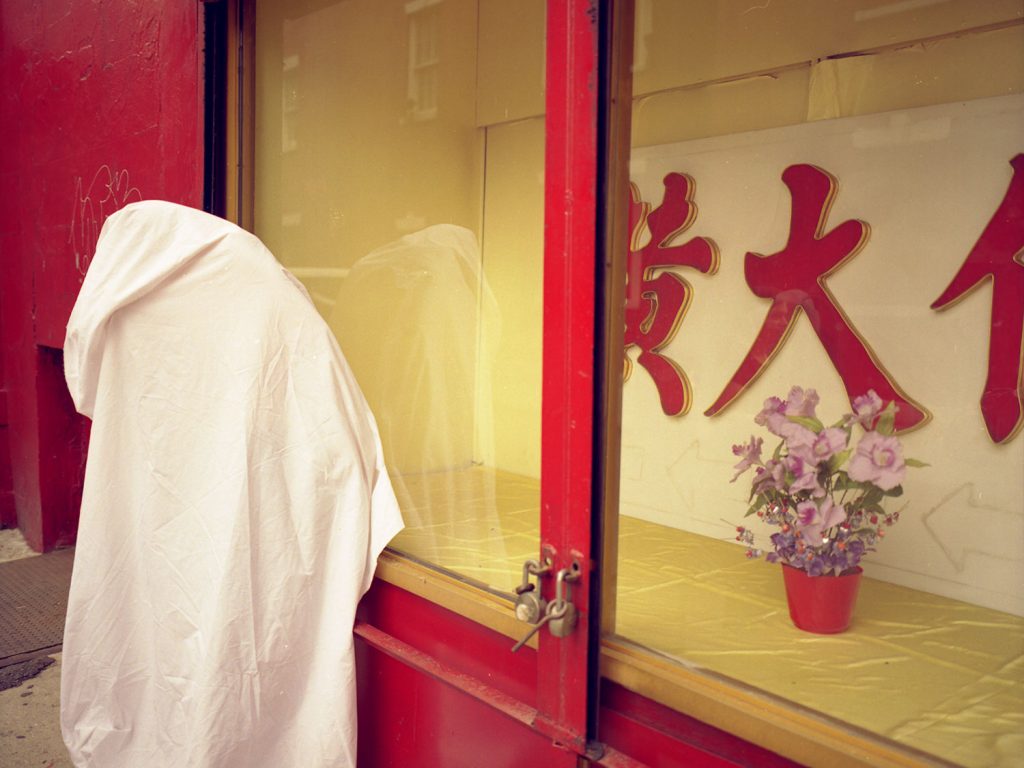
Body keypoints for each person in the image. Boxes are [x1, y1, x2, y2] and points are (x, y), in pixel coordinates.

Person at [61, 201, 403, 767]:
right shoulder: (252, 279)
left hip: (160, 509)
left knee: (166, 632)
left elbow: (91, 391)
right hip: (252, 503)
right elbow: (330, 422)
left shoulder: (122, 303)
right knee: (239, 638)